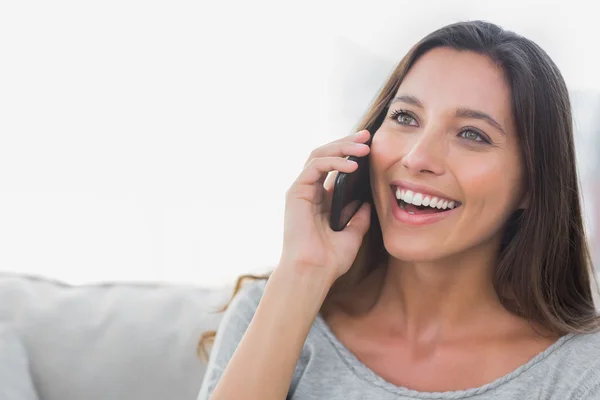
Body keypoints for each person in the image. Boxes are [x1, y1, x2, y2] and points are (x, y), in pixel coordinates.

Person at [197, 20, 600, 399]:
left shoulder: (581, 371)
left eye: (472, 134)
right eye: (405, 117)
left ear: (534, 183)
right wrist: (302, 272)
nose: (417, 156)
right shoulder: (273, 308)